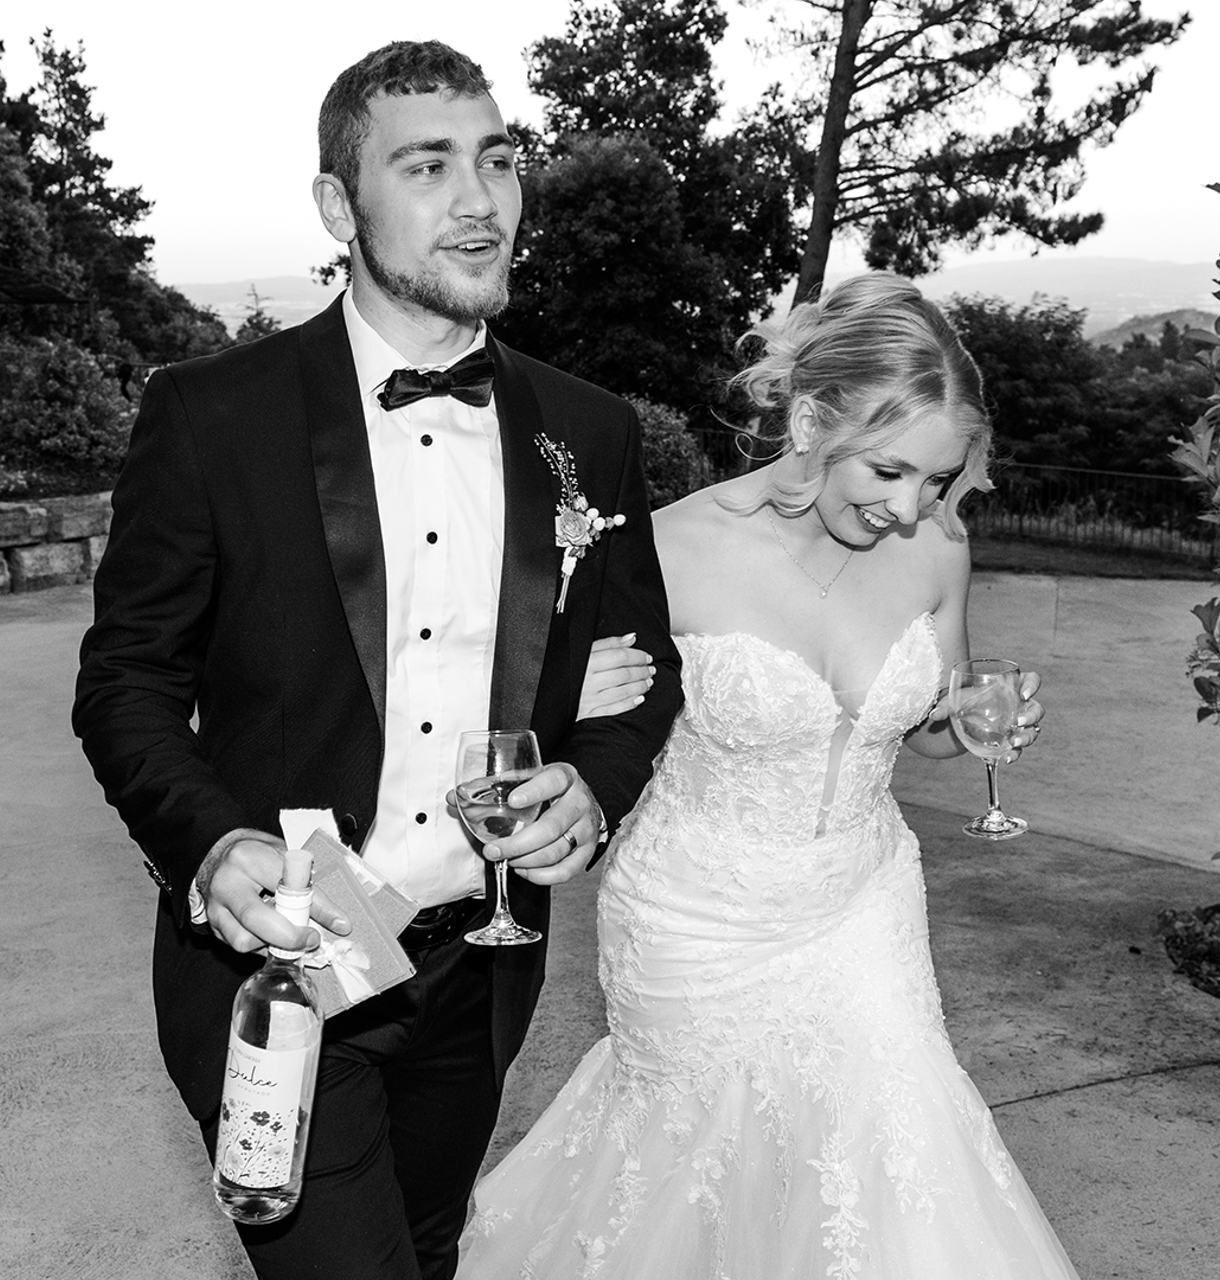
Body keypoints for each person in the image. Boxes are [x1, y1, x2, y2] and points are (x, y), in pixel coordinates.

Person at [72, 40, 682, 1280]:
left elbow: (645, 665)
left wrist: (595, 783)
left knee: (428, 1244)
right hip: (283, 951)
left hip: (482, 954)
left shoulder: (587, 428)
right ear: (337, 206)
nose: (480, 200)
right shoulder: (212, 412)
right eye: (427, 166)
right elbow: (125, 681)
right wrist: (212, 842)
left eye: (496, 161)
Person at [457, 273, 1079, 1279]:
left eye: (935, 479)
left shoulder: (940, 546)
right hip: (694, 922)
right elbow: (572, 725)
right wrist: (566, 704)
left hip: (862, 900)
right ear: (809, 421)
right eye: (888, 469)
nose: (907, 506)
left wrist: (966, 725)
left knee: (895, 1151)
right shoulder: (667, 548)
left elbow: (923, 724)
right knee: (699, 1180)